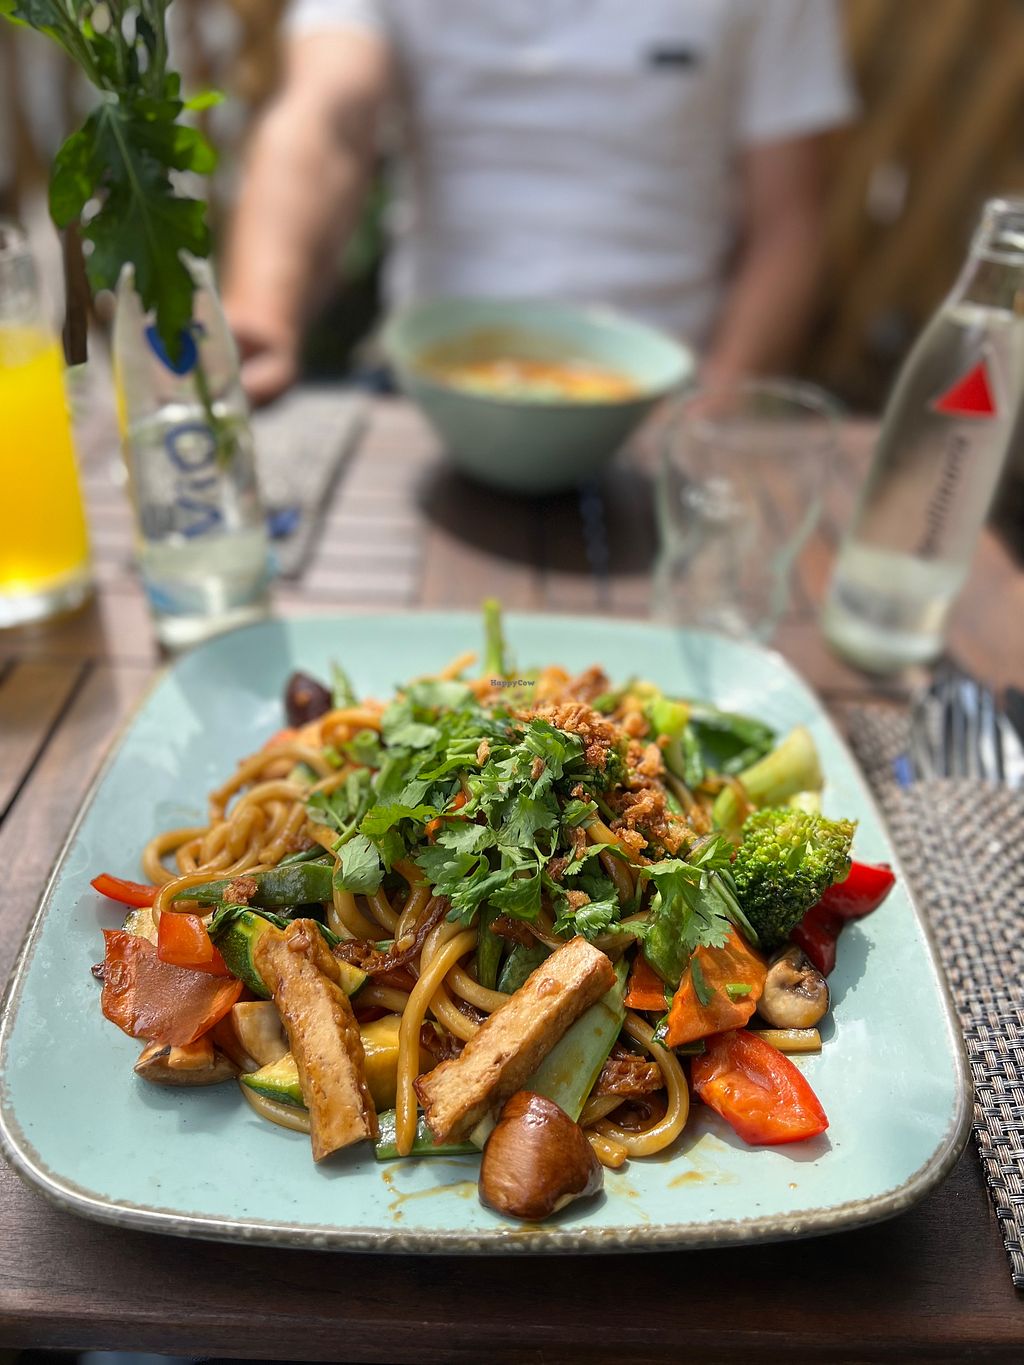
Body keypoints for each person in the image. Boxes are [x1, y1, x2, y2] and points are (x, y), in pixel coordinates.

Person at [224, 1, 855, 406]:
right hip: (421, 392)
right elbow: (326, 120)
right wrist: (263, 316)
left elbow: (788, 226)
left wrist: (715, 409)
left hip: (665, 400)